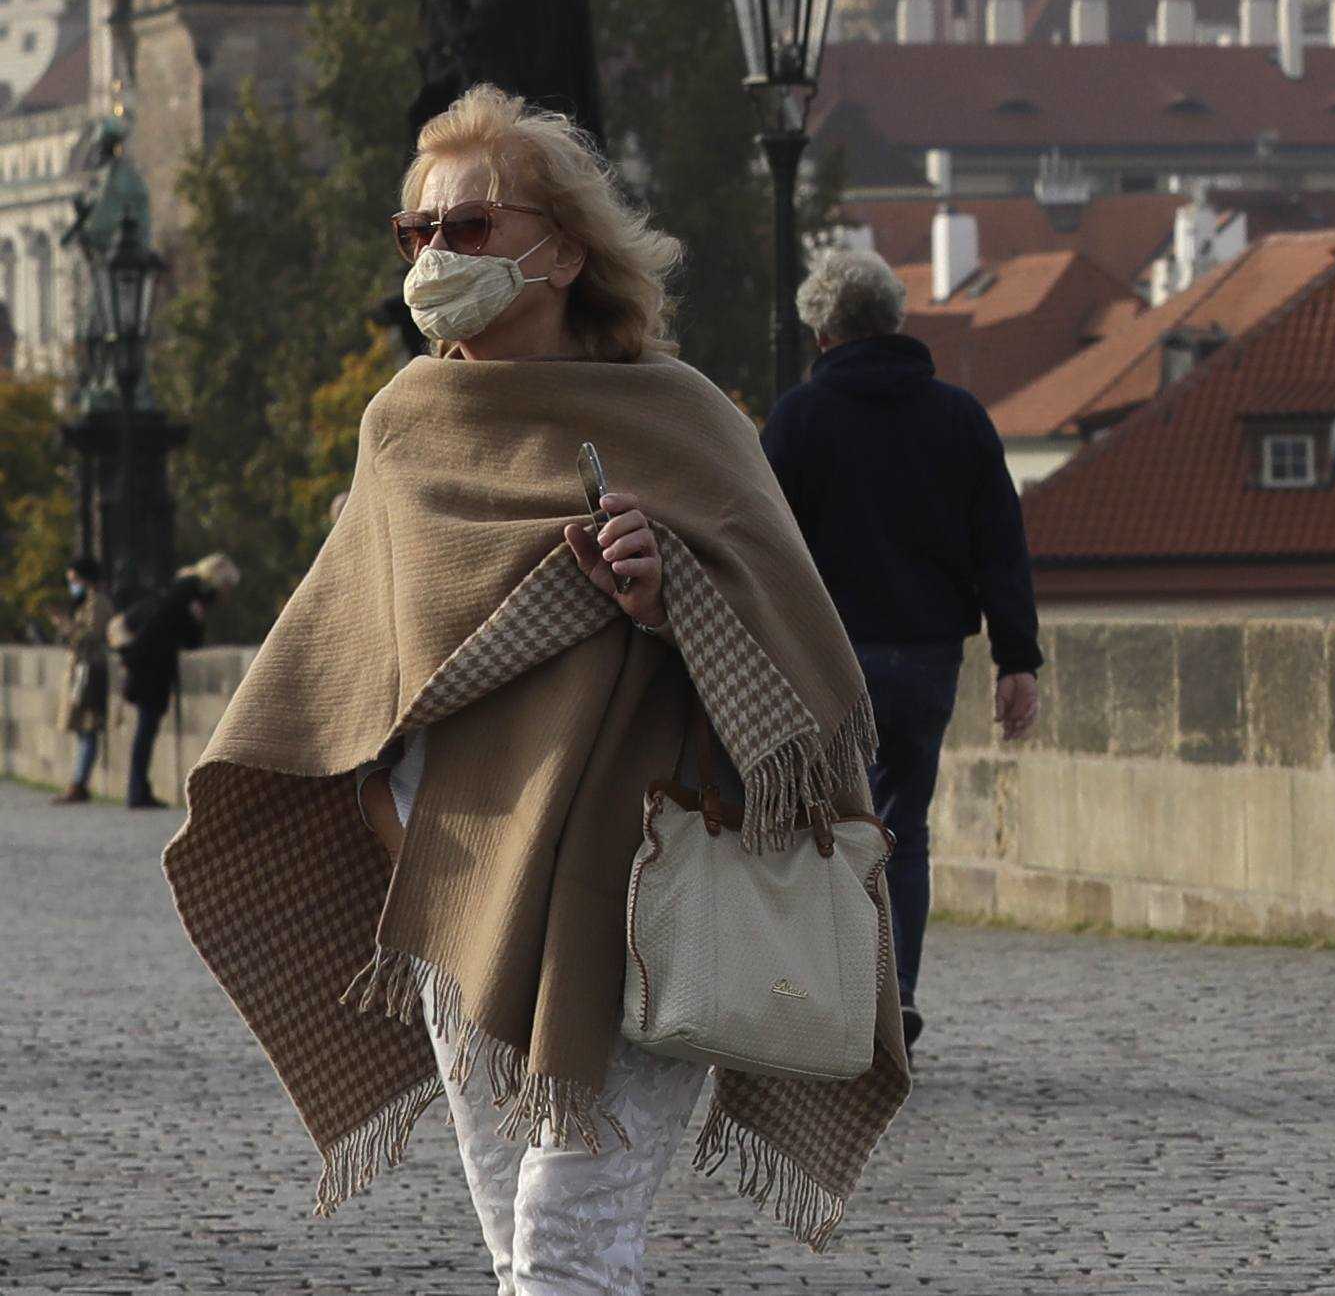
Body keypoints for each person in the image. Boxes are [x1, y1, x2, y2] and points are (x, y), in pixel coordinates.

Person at [163, 85, 906, 1288]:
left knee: (566, 1243)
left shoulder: (685, 418)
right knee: (518, 1238)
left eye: (467, 228)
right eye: (418, 233)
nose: (434, 256)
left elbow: (804, 664)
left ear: (561, 250)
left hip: (647, 887)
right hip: (465, 885)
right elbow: (353, 666)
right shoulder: (404, 426)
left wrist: (676, 597)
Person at [759, 242, 1042, 1041]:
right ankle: (899, 988)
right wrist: (1016, 659)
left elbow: (766, 547)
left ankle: (830, 992)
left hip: (824, 655)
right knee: (901, 827)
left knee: (817, 825)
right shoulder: (959, 416)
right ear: (897, 320)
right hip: (925, 655)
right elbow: (1001, 546)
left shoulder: (799, 419)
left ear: (821, 335)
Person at [112, 551, 233, 808]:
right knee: (146, 728)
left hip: (147, 662)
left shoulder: (182, 588)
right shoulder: (192, 593)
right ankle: (137, 791)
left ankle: (139, 788)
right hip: (152, 665)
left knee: (146, 729)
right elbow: (191, 637)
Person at [46, 556, 114, 804]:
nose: (72, 585)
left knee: (87, 726)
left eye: (74, 580)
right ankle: (78, 780)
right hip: (82, 669)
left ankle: (79, 783)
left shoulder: (97, 603)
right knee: (82, 728)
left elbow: (91, 635)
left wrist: (64, 624)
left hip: (89, 670)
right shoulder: (89, 601)